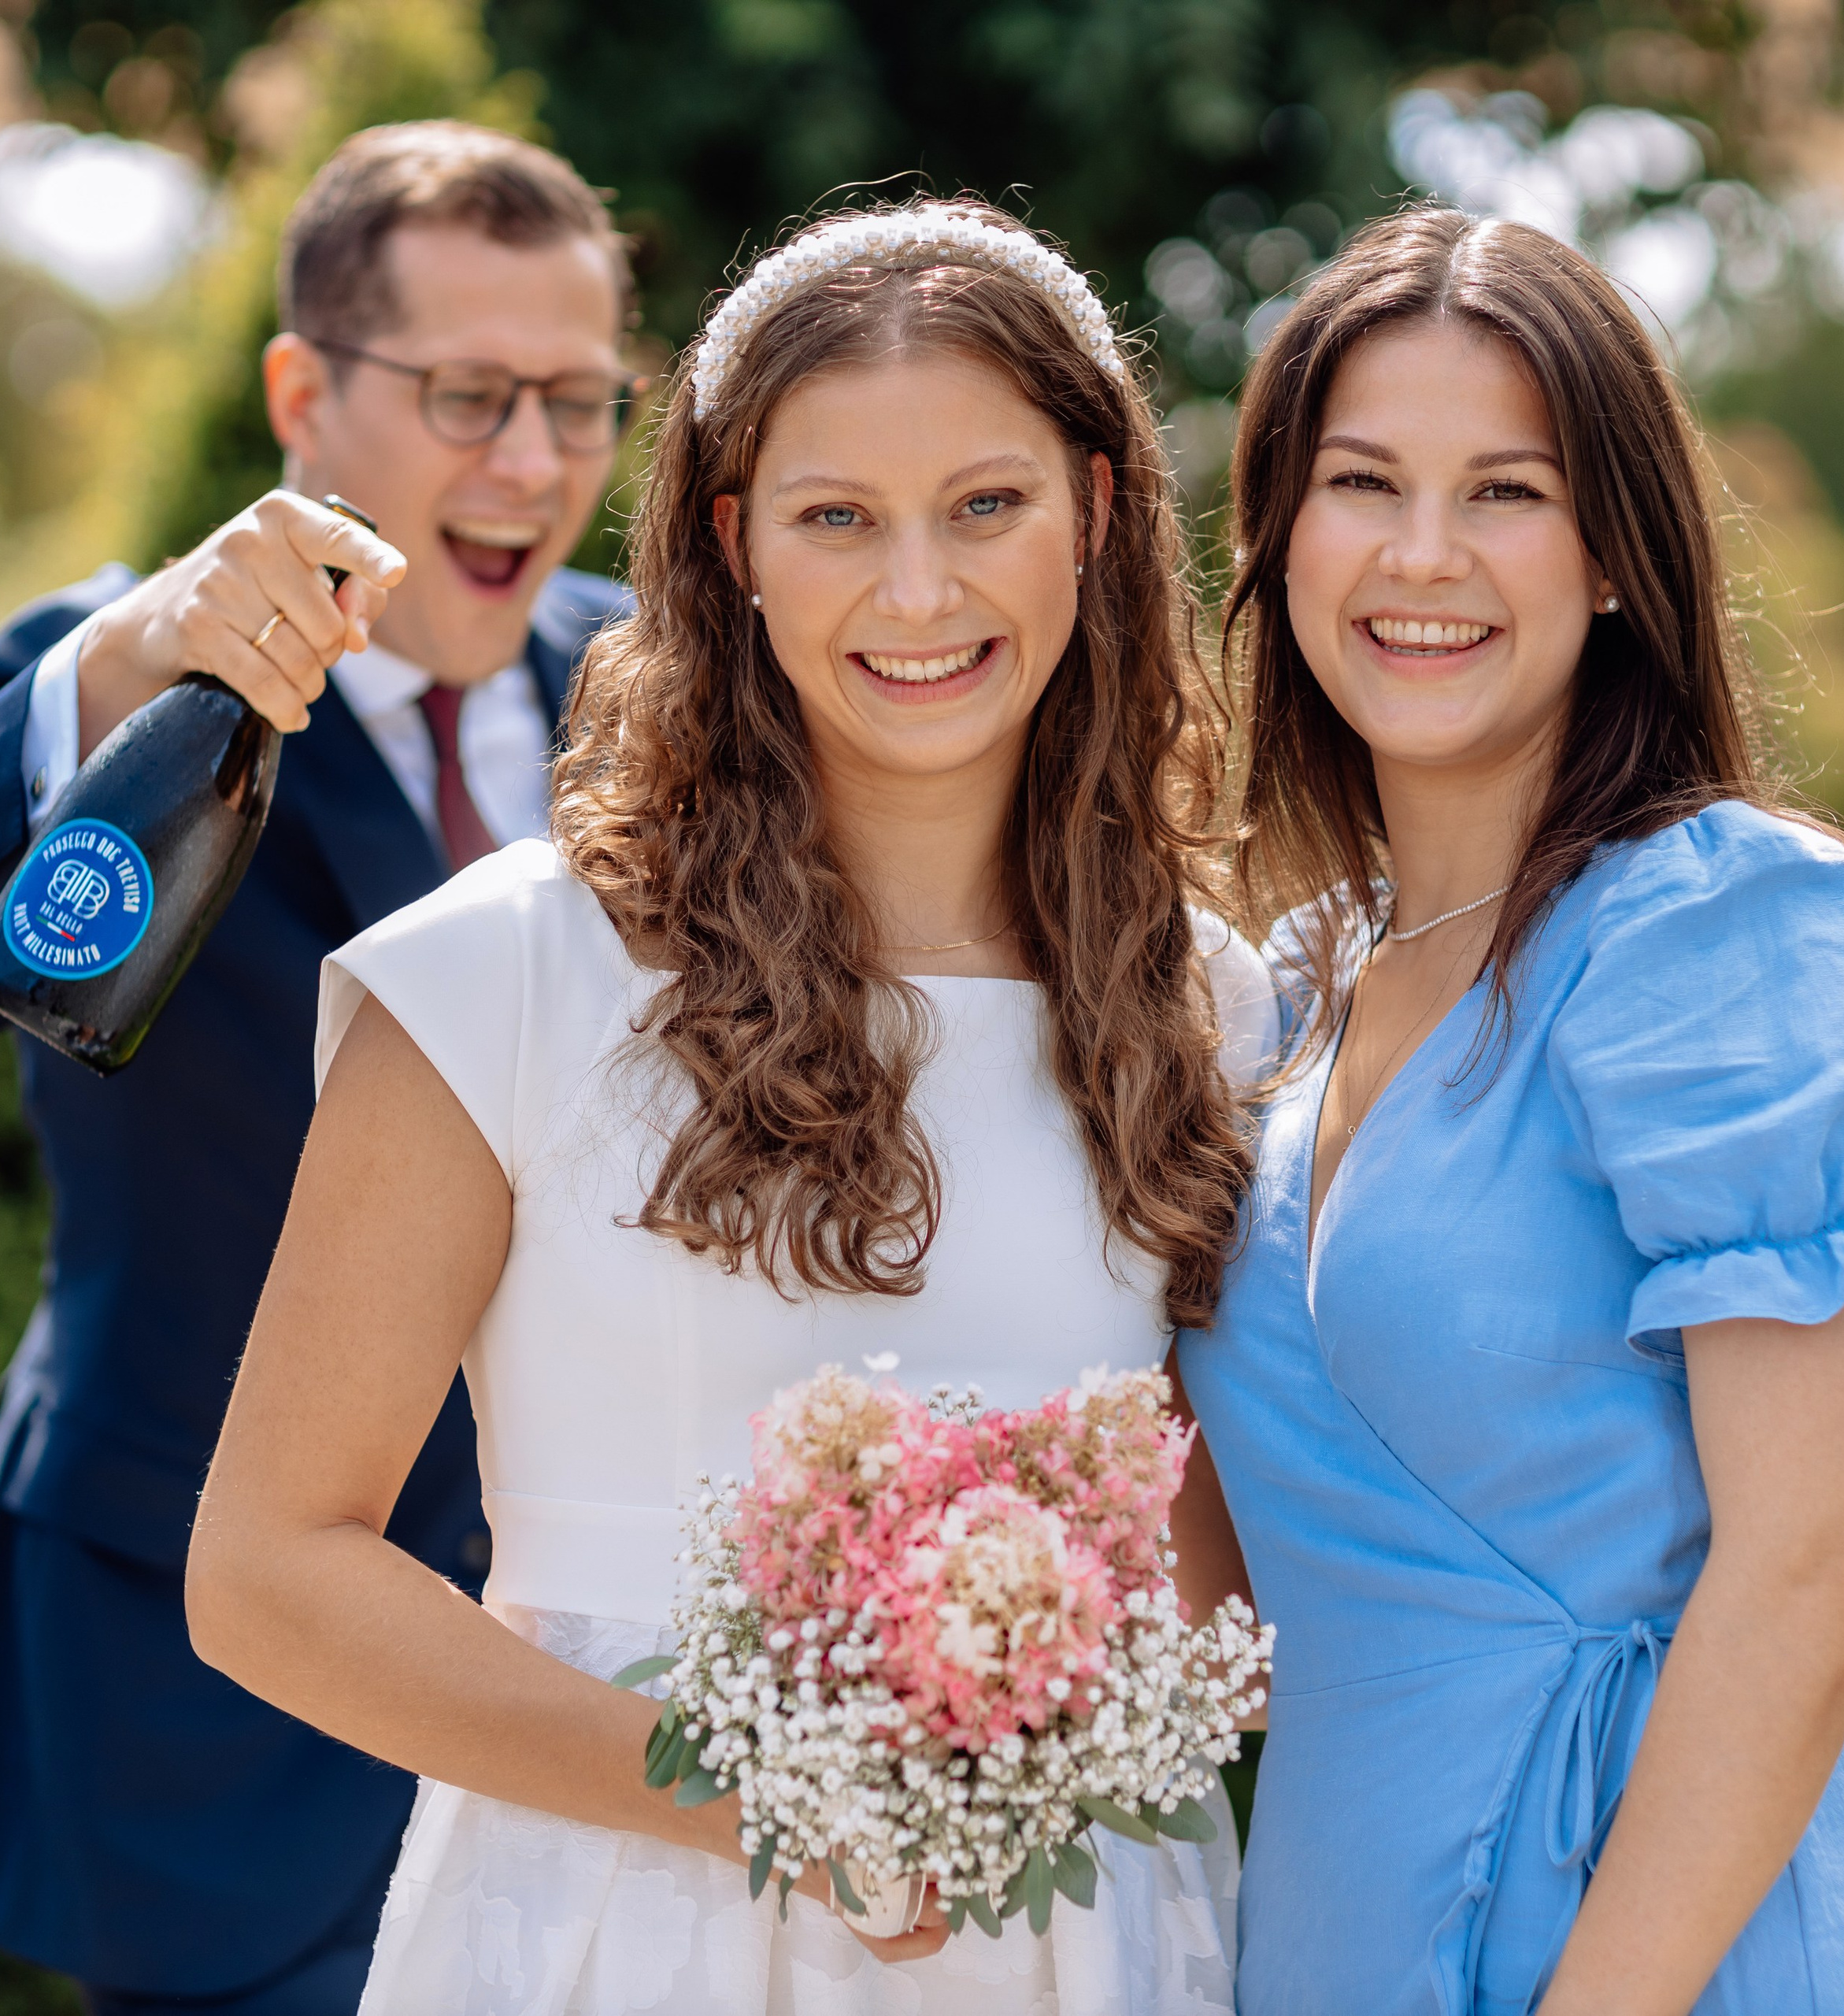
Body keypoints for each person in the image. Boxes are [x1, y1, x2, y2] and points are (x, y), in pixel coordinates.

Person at [183, 196, 1274, 2016]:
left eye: (985, 506)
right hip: (616, 1933)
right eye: (835, 516)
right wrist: (759, 1798)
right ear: (732, 546)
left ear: (1093, 512)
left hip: (1085, 1943)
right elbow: (267, 1573)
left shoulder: (1210, 1007)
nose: (915, 591)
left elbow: (1223, 1559)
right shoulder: (510, 972)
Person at [1175, 207, 1844, 2016]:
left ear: (1613, 551)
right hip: (1330, 1925)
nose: (1423, 554)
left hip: (1666, 1950)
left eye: (1507, 492)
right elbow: (1227, 1589)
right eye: (1362, 481)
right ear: (1277, 534)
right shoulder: (1282, 996)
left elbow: (1814, 1569)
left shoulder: (1716, 925)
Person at [0, 120, 638, 2014]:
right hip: (210, 1734)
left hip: (592, 1713)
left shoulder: (665, 701)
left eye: (580, 402)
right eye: (466, 395)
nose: (529, 462)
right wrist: (135, 663)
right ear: (302, 390)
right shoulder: (112, 691)